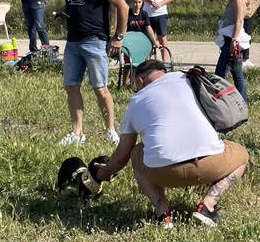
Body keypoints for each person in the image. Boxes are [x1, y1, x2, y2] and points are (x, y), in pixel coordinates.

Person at [94, 59, 250, 228]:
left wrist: (106, 172)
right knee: (242, 154)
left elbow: (122, 155)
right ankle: (207, 205)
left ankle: (162, 211)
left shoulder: (136, 101)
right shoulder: (188, 79)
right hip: (208, 166)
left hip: (163, 173)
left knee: (136, 152)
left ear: (140, 81)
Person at [58, 0, 129, 146]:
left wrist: (118, 37)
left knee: (100, 88)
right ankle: (77, 132)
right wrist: (63, 14)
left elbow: (123, 7)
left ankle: (110, 130)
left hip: (94, 41)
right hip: (73, 42)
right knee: (71, 87)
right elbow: (74, 4)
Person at [215, 0, 251, 103]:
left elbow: (239, 21)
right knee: (237, 73)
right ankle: (243, 101)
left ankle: (219, 101)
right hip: (231, 40)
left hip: (232, 41)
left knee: (220, 74)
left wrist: (234, 40)